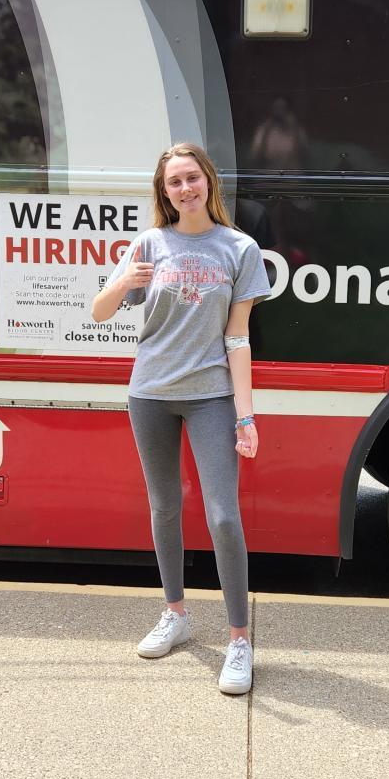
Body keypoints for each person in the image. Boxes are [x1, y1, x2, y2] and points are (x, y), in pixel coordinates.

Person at [91, 142, 271, 695]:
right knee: (164, 506)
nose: (185, 189)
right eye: (174, 182)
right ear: (164, 192)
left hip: (210, 395)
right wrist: (124, 282)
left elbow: (238, 338)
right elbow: (99, 311)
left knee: (222, 516)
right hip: (149, 393)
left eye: (192, 178)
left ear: (208, 181)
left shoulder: (239, 249)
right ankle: (176, 614)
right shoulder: (149, 244)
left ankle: (239, 640)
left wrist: (245, 415)